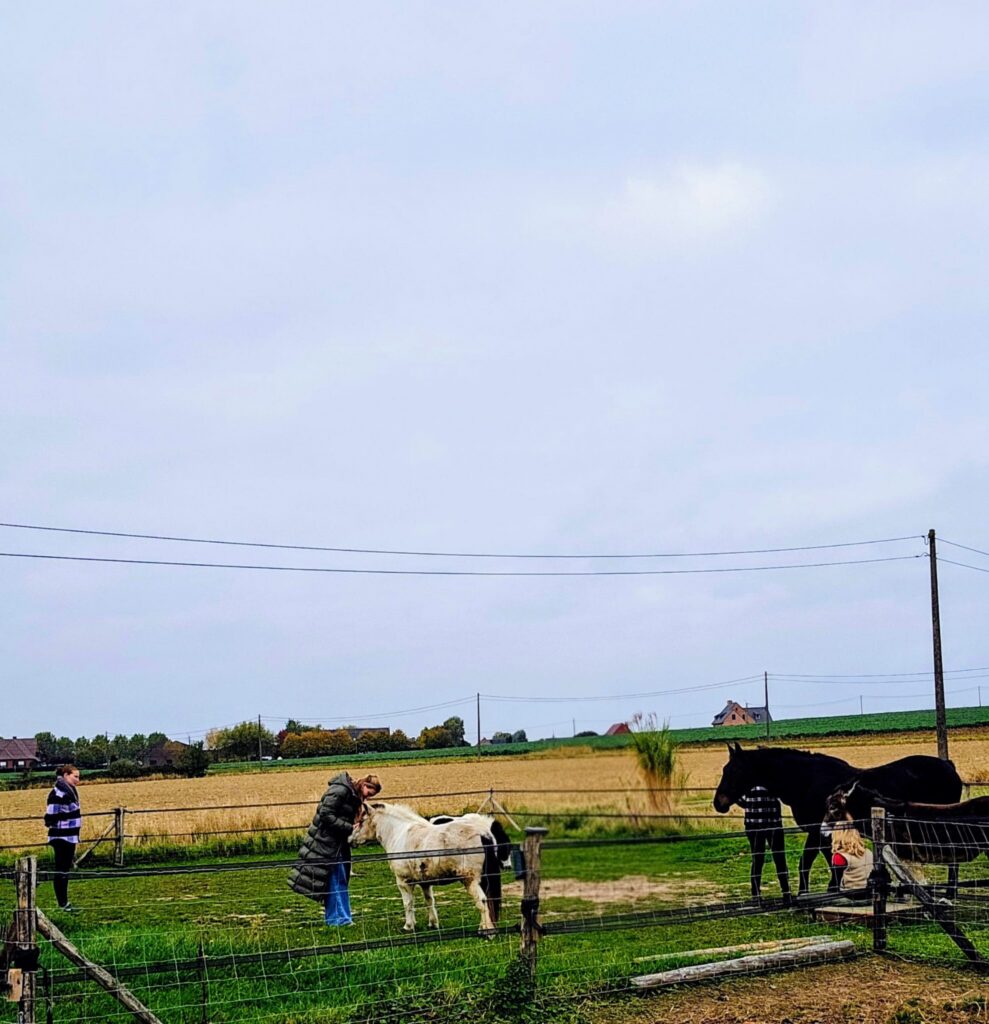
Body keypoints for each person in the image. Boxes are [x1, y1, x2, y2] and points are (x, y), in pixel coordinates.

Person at [288, 772, 382, 926]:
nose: (368, 797)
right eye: (369, 793)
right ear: (364, 785)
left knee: (340, 879)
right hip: (328, 842)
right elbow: (326, 814)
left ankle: (340, 917)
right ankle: (339, 920)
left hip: (338, 842)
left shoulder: (352, 795)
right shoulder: (341, 790)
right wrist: (348, 827)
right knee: (335, 880)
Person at [737, 784, 792, 905]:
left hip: (770, 823)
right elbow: (736, 794)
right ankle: (756, 893)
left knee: (779, 858)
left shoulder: (770, 774)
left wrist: (750, 805)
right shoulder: (747, 776)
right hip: (757, 824)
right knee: (758, 859)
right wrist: (749, 805)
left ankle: (786, 891)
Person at [44, 764, 82, 912]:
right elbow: (50, 817)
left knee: (65, 870)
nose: (77, 780)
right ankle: (62, 904)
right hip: (61, 838)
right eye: (75, 776)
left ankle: (64, 903)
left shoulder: (69, 791)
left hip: (70, 836)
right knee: (61, 871)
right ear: (66, 775)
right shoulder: (58, 794)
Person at [829, 825, 874, 902]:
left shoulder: (840, 856)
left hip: (850, 895)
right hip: (869, 893)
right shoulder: (869, 852)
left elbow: (835, 882)